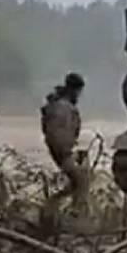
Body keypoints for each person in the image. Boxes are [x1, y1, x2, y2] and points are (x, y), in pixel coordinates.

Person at [40, 72, 88, 211]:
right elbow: (57, 134)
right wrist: (66, 153)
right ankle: (74, 212)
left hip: (62, 150)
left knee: (77, 181)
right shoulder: (63, 108)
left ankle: (54, 207)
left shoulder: (57, 105)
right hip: (63, 151)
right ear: (74, 90)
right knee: (81, 182)